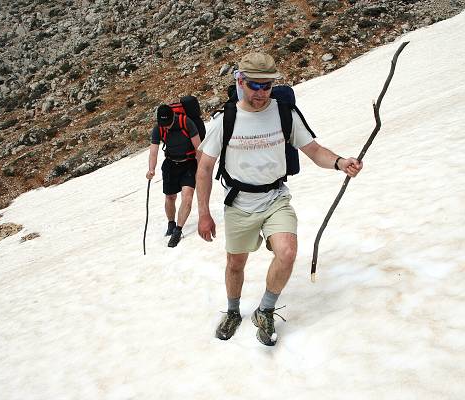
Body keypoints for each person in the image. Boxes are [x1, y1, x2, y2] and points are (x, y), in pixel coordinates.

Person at [195, 52, 363, 346]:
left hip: (275, 198)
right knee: (235, 264)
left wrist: (339, 162)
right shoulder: (227, 119)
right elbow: (205, 167)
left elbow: (313, 150)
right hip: (239, 203)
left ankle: (265, 310)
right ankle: (233, 311)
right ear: (240, 81)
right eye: (254, 85)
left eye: (267, 86)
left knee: (286, 253)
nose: (261, 93)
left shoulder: (285, 113)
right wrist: (204, 213)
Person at [147, 104, 201, 247]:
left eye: (168, 124)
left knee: (187, 196)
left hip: (189, 163)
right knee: (170, 197)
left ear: (173, 118)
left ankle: (178, 230)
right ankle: (171, 223)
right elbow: (153, 151)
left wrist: (202, 169)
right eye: (163, 124)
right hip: (170, 164)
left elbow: (199, 148)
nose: (166, 127)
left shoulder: (186, 122)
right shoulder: (158, 128)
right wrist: (151, 169)